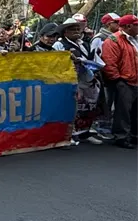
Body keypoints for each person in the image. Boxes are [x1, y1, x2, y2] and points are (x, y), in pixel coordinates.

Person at [54, 18, 102, 145]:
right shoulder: (60, 45)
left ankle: (85, 133)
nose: (76, 31)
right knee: (73, 108)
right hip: (71, 80)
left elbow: (95, 58)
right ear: (65, 32)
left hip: (88, 79)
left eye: (77, 29)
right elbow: (56, 62)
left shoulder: (85, 43)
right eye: (72, 29)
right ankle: (70, 135)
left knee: (89, 107)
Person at [101, 14, 138, 149]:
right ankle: (121, 137)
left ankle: (133, 135)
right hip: (125, 81)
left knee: (135, 111)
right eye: (136, 25)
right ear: (128, 26)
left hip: (134, 79)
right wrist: (118, 79)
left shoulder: (134, 39)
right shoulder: (113, 40)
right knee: (123, 111)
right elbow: (109, 62)